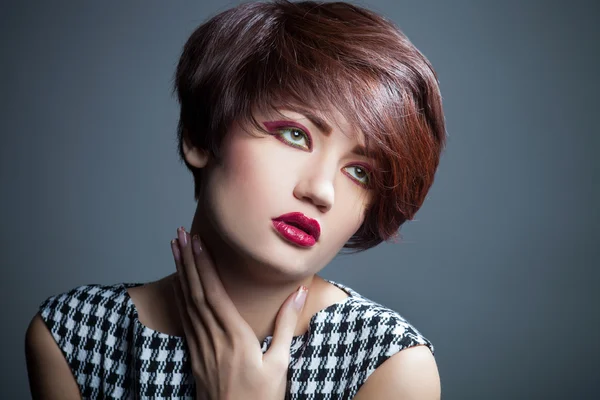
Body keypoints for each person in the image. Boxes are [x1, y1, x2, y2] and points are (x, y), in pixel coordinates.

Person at [25, 1, 446, 398]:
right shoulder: (75, 335)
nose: (321, 191)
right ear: (200, 136)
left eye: (360, 172)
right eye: (294, 134)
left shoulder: (390, 365)